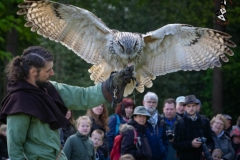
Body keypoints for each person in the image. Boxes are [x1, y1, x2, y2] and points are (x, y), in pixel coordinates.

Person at [0, 46, 134, 160]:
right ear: (34, 72)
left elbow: (84, 96)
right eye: (48, 70)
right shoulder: (18, 102)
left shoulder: (51, 89)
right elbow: (15, 149)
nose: (52, 73)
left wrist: (111, 84)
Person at [173, 95, 214, 160]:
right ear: (185, 107)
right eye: (188, 106)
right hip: (185, 157)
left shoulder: (205, 121)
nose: (191, 108)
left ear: (197, 106)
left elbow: (211, 141)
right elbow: (175, 144)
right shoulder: (179, 123)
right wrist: (191, 144)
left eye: (193, 106)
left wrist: (208, 148)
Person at [143, 92, 168, 160]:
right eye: (149, 102)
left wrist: (164, 151)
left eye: (154, 102)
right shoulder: (140, 119)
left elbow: (165, 139)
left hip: (160, 157)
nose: (151, 104)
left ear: (156, 104)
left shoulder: (161, 120)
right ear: (143, 103)